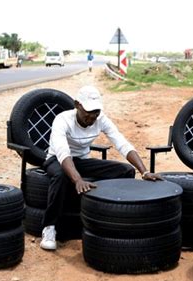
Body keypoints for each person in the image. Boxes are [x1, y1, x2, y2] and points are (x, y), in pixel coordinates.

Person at [40, 85, 162, 250]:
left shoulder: (101, 119)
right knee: (61, 176)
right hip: (57, 160)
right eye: (88, 112)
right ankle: (49, 227)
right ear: (77, 105)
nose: (92, 117)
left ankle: (113, 215)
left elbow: (122, 143)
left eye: (96, 112)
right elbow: (63, 153)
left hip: (82, 161)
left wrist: (144, 171)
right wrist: (77, 179)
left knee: (126, 171)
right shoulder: (62, 120)